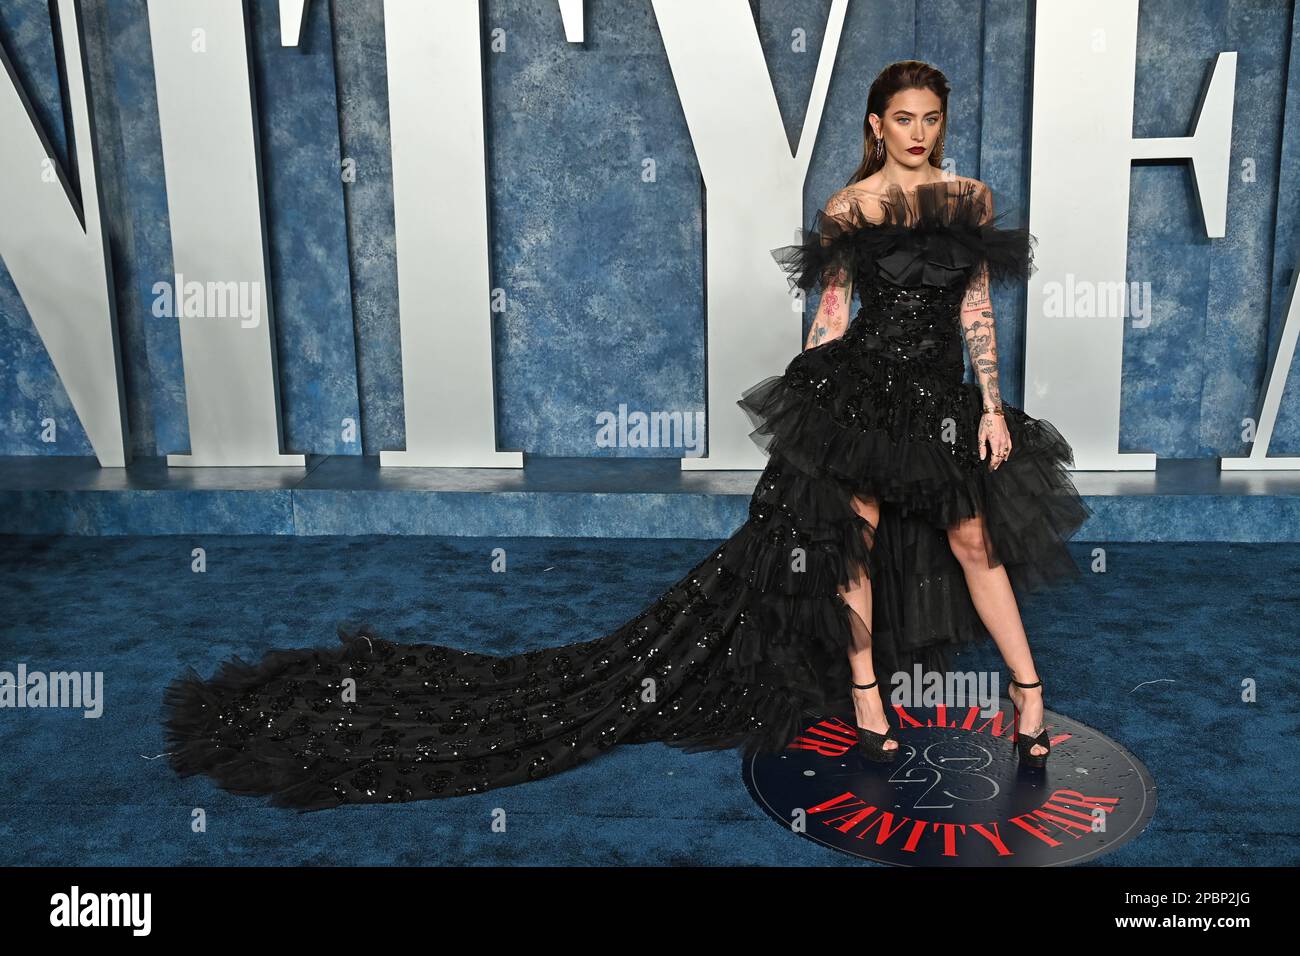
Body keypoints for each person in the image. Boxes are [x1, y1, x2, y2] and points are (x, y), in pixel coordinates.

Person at [161, 60, 1090, 810]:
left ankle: (1027, 697)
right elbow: (834, 314)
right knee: (854, 538)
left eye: (930, 116)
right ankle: (865, 697)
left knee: (974, 539)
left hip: (939, 400)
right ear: (875, 127)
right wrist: (810, 413)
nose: (918, 131)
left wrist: (995, 406)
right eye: (902, 117)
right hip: (860, 397)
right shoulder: (847, 210)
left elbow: (974, 308)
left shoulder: (971, 199)